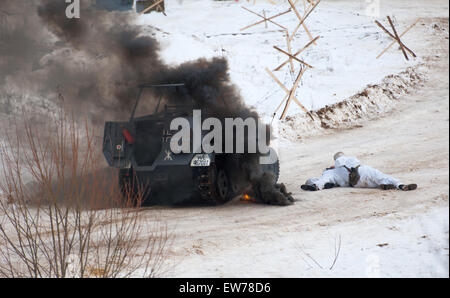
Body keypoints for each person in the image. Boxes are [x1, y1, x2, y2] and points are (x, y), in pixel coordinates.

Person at [301, 152, 417, 191]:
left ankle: (387, 185)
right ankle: (400, 185)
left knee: (374, 183)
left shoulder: (331, 172)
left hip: (356, 184)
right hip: (363, 171)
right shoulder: (350, 159)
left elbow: (323, 179)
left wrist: (316, 185)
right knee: (381, 177)